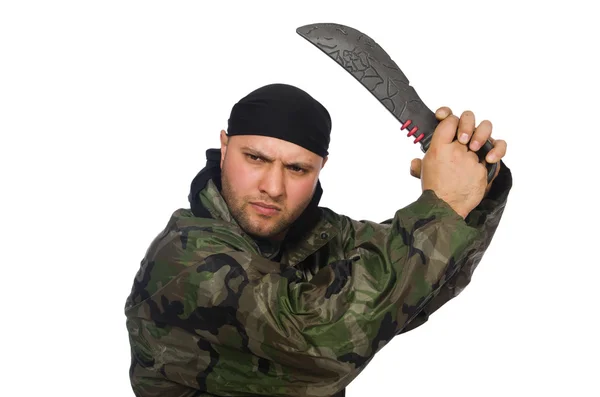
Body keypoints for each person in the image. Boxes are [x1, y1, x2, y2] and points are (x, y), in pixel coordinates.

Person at [124, 83, 512, 397]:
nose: (272, 187)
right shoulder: (185, 259)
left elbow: (418, 286)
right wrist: (443, 204)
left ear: (320, 168)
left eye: (296, 168)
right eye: (256, 158)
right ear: (224, 148)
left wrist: (477, 190)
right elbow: (325, 340)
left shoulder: (318, 237)